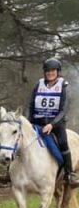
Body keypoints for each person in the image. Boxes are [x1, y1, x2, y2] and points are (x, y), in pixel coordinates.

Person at [26, 57, 79, 188]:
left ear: (58, 72)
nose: (50, 73)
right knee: (19, 139)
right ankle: (10, 172)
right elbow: (31, 105)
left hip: (56, 123)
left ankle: (69, 174)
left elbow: (63, 110)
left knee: (63, 143)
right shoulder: (38, 85)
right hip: (37, 122)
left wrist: (52, 124)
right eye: (48, 71)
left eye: (53, 71)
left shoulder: (63, 86)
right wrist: (29, 122)